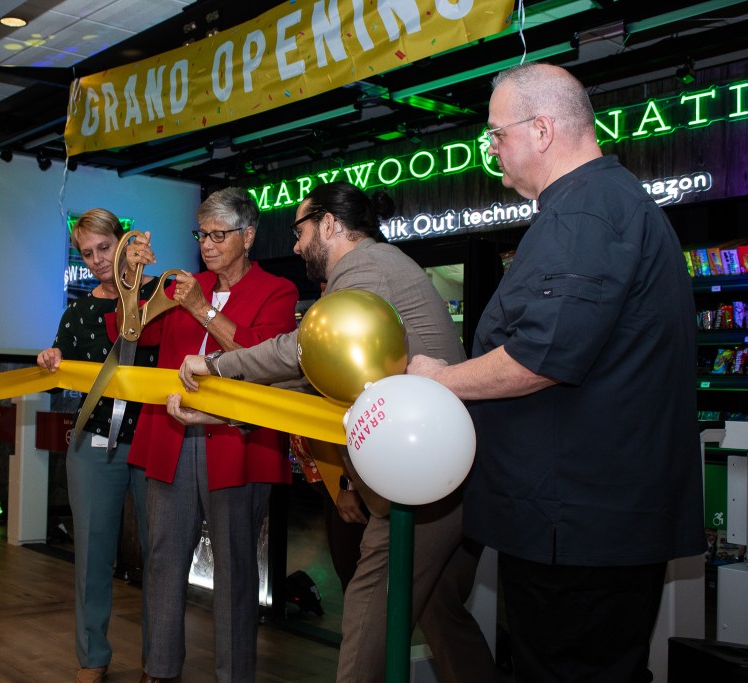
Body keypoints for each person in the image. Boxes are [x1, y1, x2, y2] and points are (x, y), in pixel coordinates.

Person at [408, 63, 705, 682]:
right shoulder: (608, 203)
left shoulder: (583, 214)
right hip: (597, 517)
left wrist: (436, 380)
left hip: (578, 525)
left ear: (541, 129)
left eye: (497, 135)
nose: (492, 151)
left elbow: (539, 358)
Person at [173, 181, 498, 683]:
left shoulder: (364, 270)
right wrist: (223, 416)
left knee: (368, 622)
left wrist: (217, 366)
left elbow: (299, 353)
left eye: (300, 230)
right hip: (443, 473)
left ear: (328, 224)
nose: (297, 245)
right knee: (440, 615)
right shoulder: (376, 269)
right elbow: (319, 384)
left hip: (422, 481)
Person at [119, 187, 299, 683]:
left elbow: (266, 358)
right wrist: (130, 279)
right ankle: (159, 670)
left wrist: (202, 309)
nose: (208, 244)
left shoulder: (276, 290)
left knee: (237, 570)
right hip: (173, 435)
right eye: (202, 234)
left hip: (236, 442)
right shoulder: (182, 285)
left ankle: (234, 675)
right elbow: (131, 333)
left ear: (249, 236)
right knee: (162, 559)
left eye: (219, 234)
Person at [36, 208, 157, 683]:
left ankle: (159, 660)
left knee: (161, 558)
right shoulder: (79, 310)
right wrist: (51, 358)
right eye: (86, 254)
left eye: (103, 248)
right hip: (93, 443)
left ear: (125, 243)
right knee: (91, 557)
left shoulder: (160, 298)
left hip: (155, 442)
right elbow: (59, 359)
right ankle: (92, 659)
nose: (96, 260)